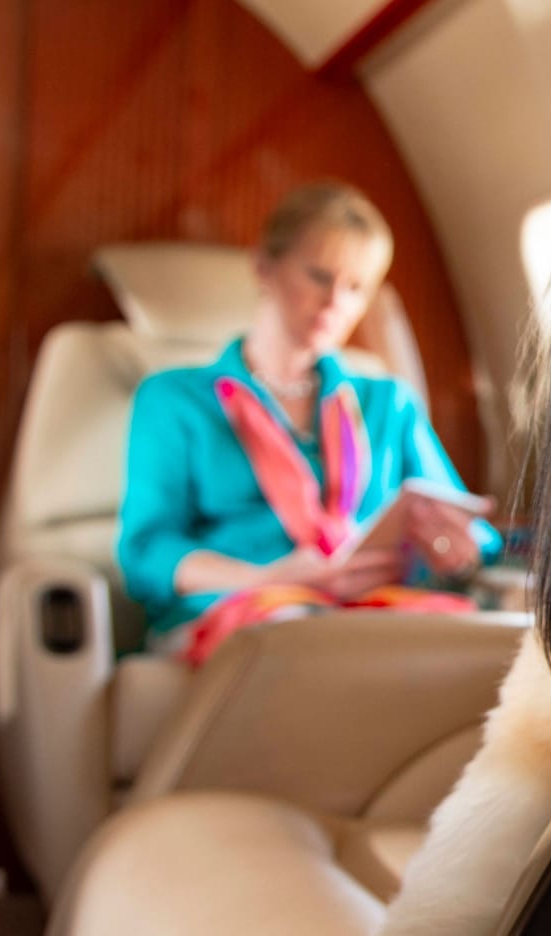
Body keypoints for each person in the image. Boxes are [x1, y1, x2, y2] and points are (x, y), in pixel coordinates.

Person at [116, 181, 499, 663]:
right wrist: (267, 579)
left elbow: (469, 530)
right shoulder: (175, 399)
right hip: (244, 607)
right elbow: (148, 552)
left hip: (367, 609)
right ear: (264, 268)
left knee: (466, 641)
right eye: (320, 275)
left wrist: (454, 552)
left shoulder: (386, 402)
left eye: (357, 288)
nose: (336, 301)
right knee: (302, 639)